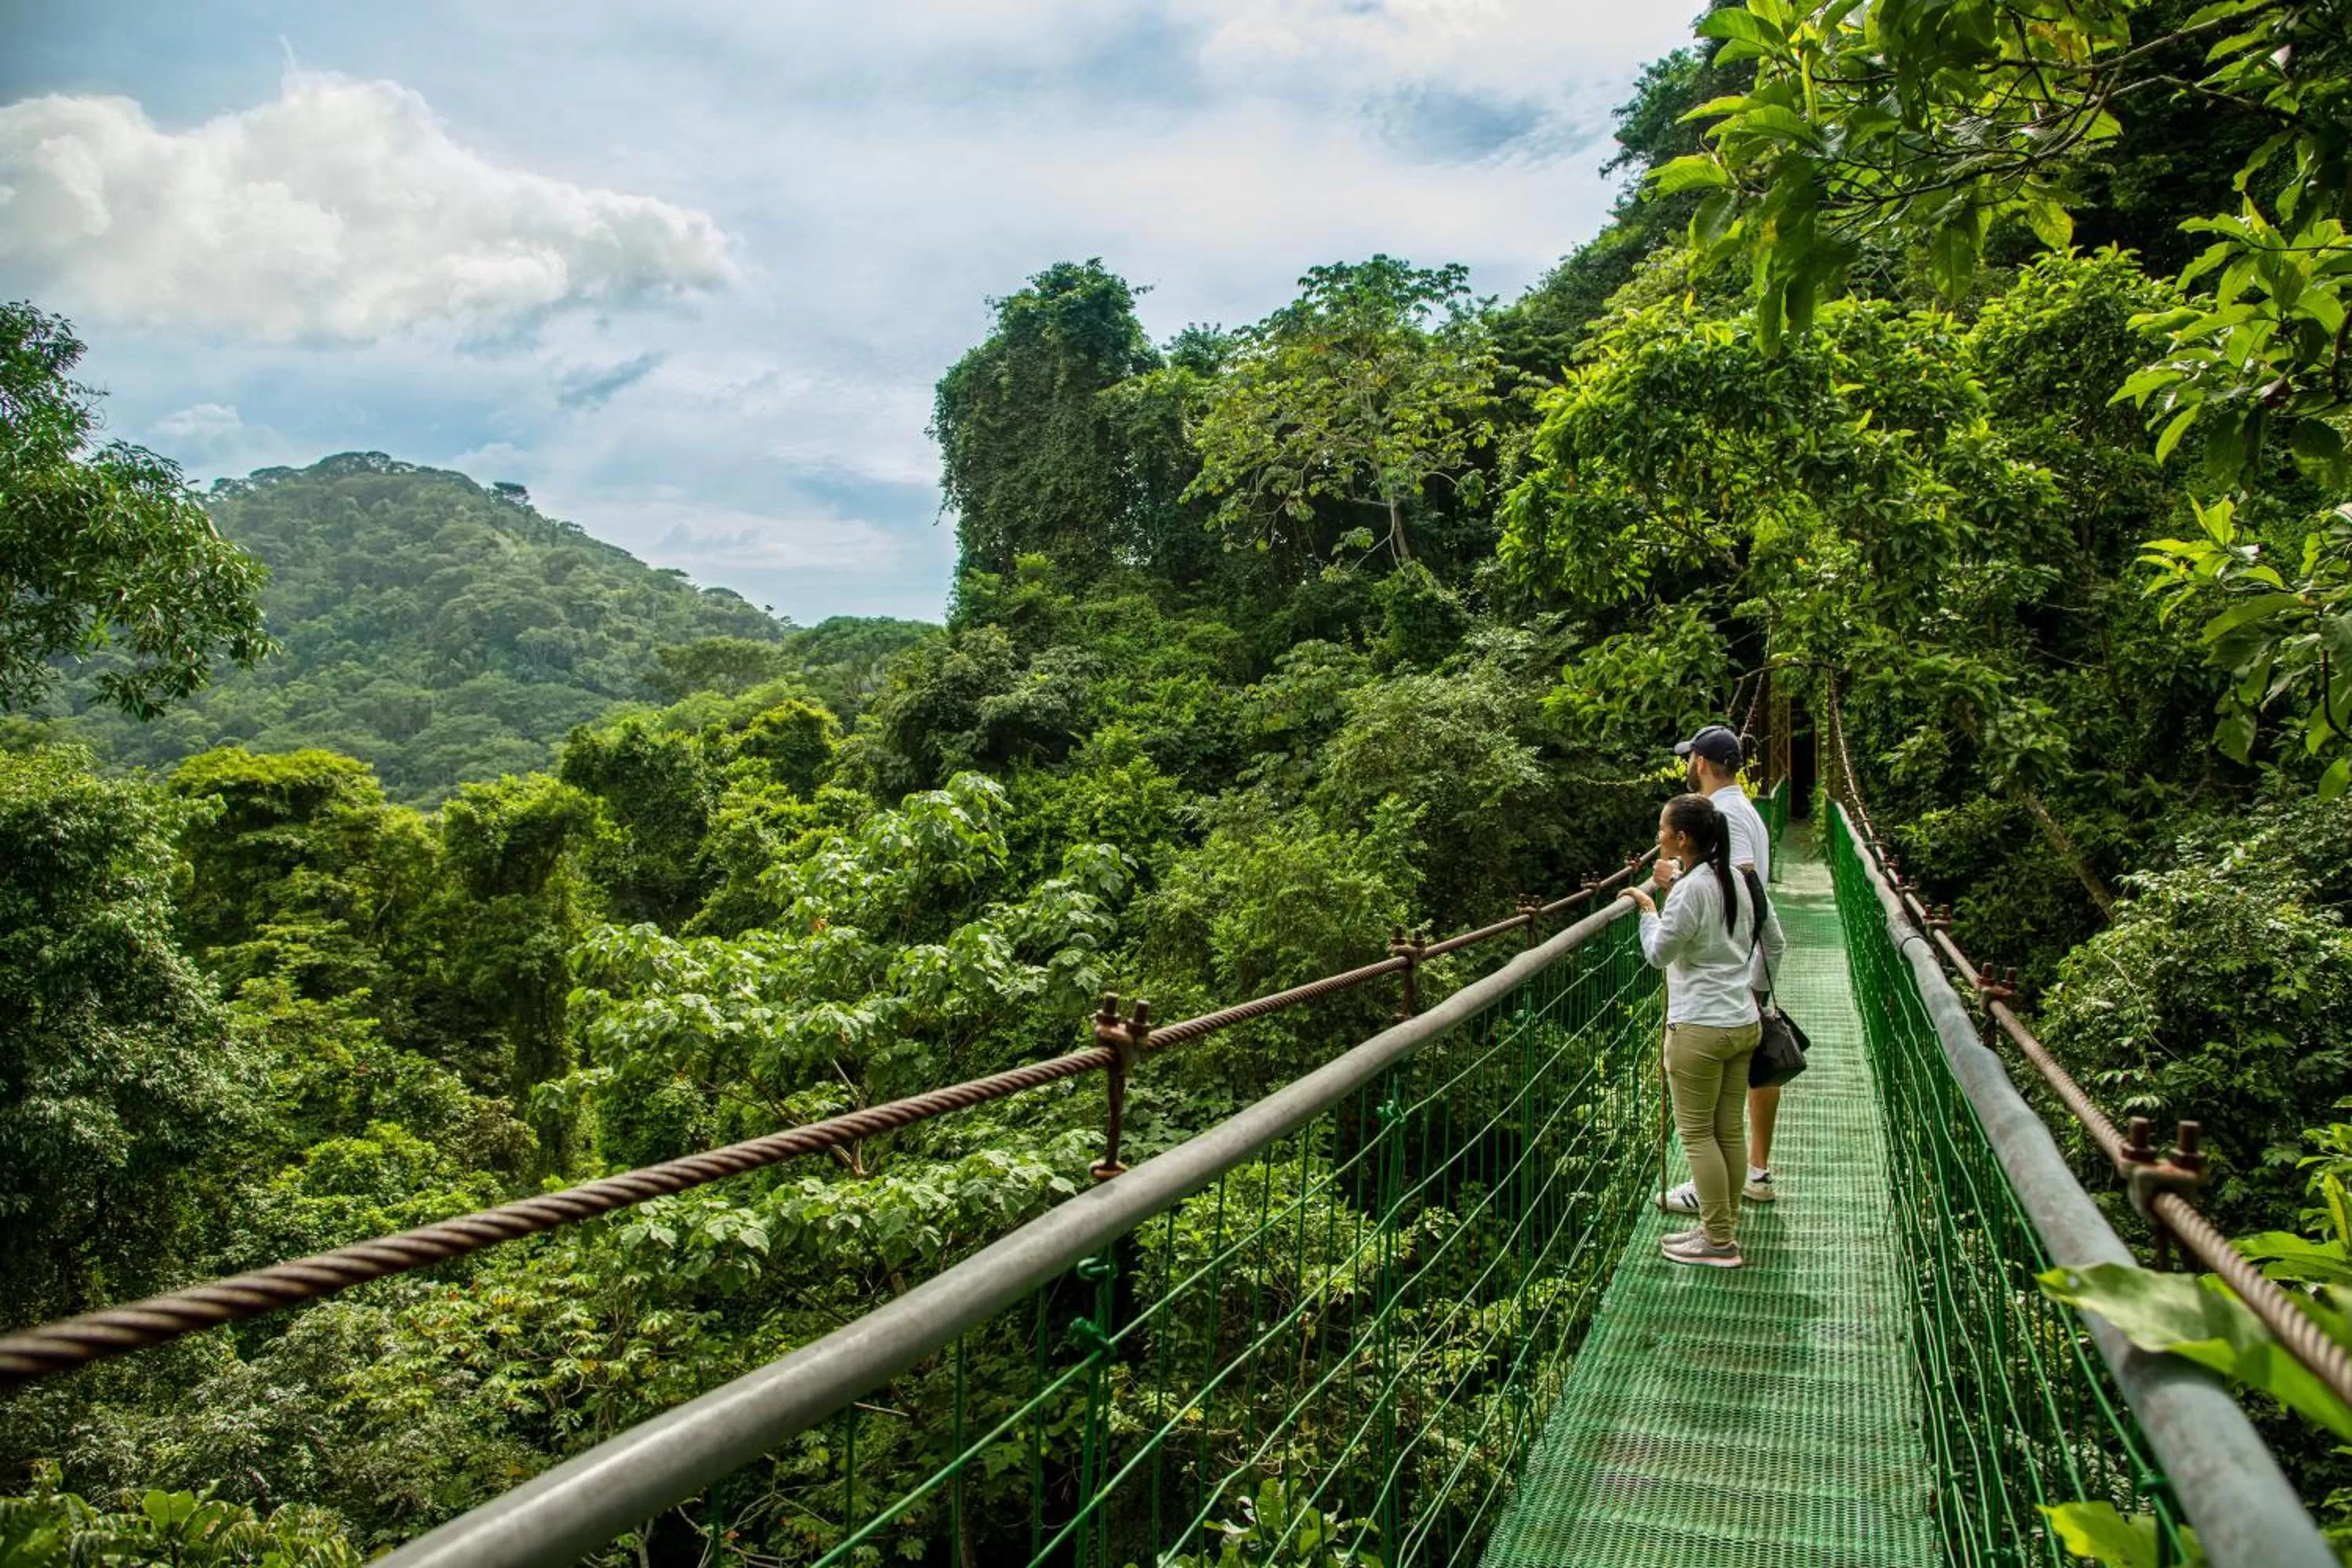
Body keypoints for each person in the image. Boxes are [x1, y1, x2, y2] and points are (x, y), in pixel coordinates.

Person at [1628, 792, 1785, 1268]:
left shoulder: (1693, 889)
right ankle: (1721, 1226)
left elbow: (1659, 953)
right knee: (1727, 1133)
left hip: (1699, 1027)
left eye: (1662, 830)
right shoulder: (1736, 879)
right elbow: (1768, 940)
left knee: (1697, 1136)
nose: (1658, 838)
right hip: (1741, 1022)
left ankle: (1717, 1241)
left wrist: (1647, 911)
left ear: (1682, 838)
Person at [1658, 723, 1782, 1214]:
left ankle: (1714, 1215)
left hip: (1725, 983)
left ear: (1702, 764)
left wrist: (1676, 889)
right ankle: (1748, 1178)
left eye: (1690, 758)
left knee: (1702, 1126)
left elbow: (1737, 888)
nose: (1688, 765)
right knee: (1724, 1121)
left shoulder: (1724, 815)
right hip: (1740, 977)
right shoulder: (1745, 808)